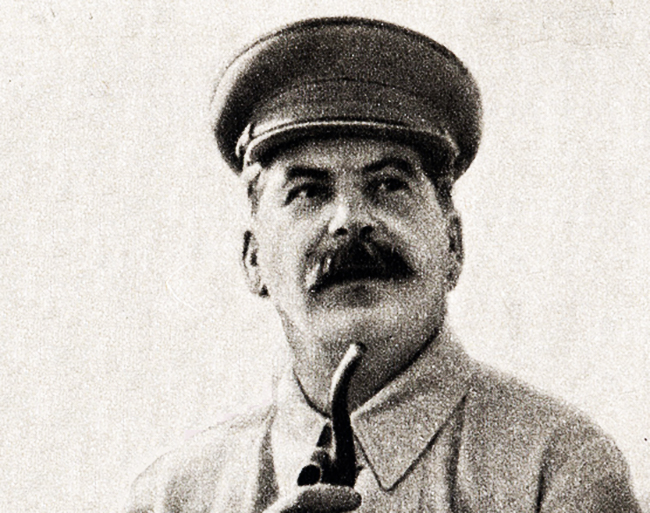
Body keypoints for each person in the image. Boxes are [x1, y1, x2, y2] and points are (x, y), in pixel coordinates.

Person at [125, 17, 641, 512]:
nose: (349, 220)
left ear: (453, 245)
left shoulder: (557, 468)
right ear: (254, 259)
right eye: (307, 191)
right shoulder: (172, 497)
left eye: (389, 185)